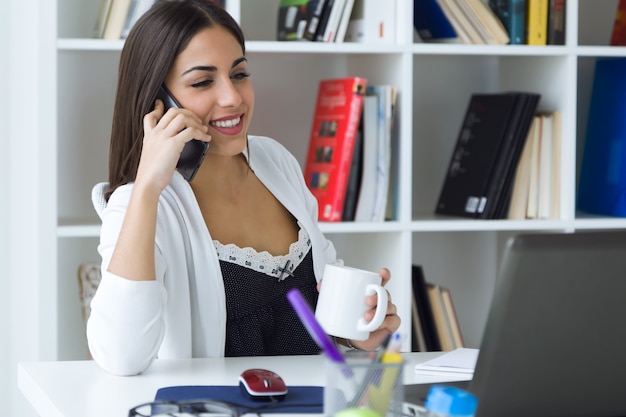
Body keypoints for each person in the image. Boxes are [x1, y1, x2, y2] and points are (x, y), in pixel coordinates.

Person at [87, 0, 401, 376]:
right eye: (203, 81)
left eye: (239, 74)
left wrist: (356, 331)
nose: (232, 97)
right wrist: (148, 186)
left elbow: (314, 309)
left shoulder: (275, 161)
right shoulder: (142, 204)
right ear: (159, 102)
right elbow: (121, 358)